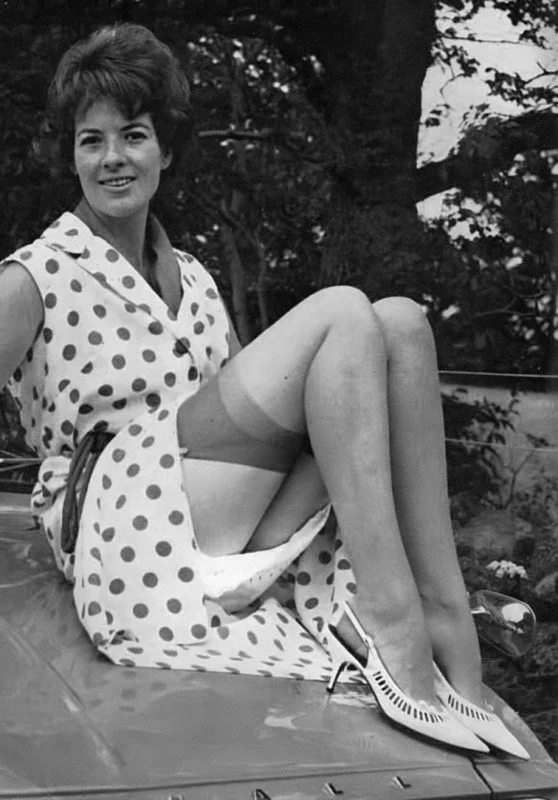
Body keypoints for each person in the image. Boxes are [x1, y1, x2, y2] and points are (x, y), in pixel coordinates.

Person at [0, 22, 528, 758]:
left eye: (134, 135)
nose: (113, 157)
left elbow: (257, 415)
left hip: (214, 519)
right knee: (342, 310)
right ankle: (389, 616)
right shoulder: (35, 275)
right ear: (72, 156)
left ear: (166, 150)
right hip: (120, 528)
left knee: (402, 326)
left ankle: (444, 612)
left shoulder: (195, 277)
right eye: (92, 141)